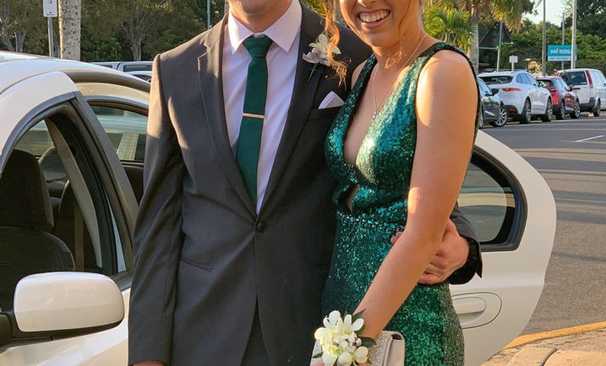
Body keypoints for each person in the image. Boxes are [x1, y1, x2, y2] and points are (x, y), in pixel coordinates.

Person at [128, 0, 481, 365]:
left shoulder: (359, 50)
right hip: (204, 333)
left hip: (318, 325)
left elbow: (411, 169)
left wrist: (460, 245)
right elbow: (157, 225)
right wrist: (147, 354)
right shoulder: (175, 70)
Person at [319, 0, 480, 365]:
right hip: (342, 309)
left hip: (404, 326)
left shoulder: (442, 72)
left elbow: (424, 232)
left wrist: (346, 349)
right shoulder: (363, 72)